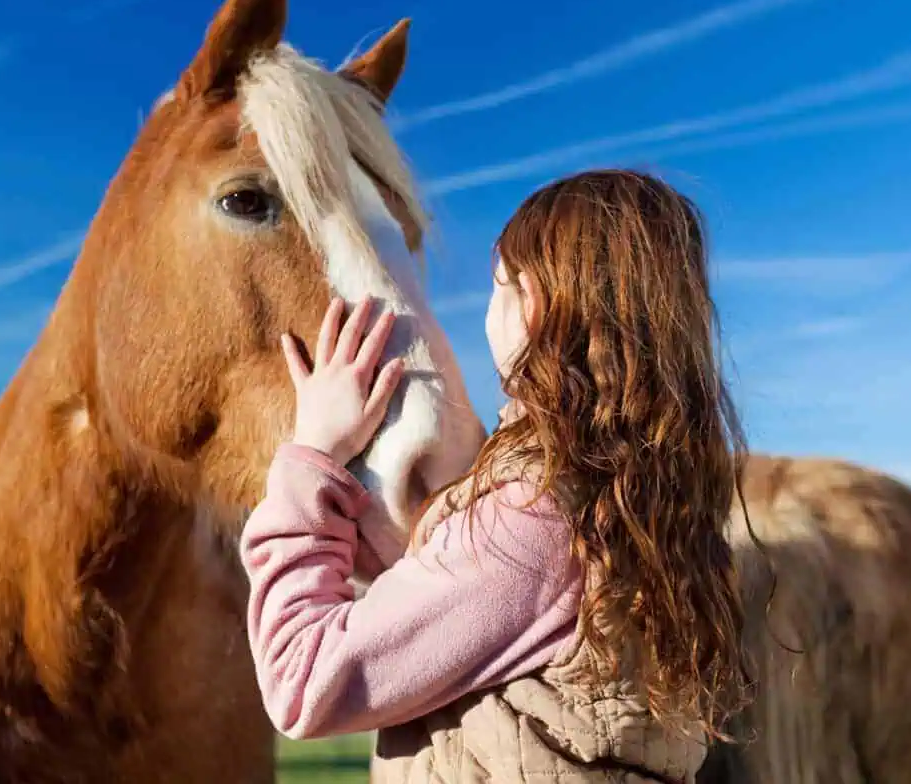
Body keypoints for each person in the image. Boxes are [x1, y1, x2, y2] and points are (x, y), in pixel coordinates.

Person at [239, 169, 752, 782]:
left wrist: (312, 454)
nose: (488, 308)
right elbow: (448, 599)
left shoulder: (532, 516)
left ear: (534, 303)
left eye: (498, 285)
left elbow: (302, 680)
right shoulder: (635, 507)